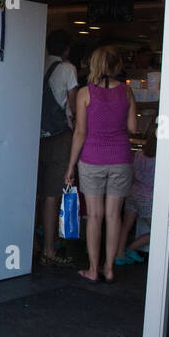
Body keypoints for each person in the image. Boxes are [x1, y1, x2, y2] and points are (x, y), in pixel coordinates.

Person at [65, 44, 139, 283]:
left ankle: (93, 269)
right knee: (113, 216)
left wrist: (70, 166)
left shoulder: (85, 93)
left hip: (92, 159)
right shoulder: (126, 92)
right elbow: (132, 128)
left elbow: (80, 132)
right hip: (120, 158)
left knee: (95, 216)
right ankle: (109, 268)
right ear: (117, 65)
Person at [37, 29, 79, 266]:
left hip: (32, 136)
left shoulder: (35, 61)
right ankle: (49, 248)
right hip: (58, 136)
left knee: (35, 192)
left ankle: (30, 242)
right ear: (66, 49)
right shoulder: (67, 69)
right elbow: (73, 105)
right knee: (52, 193)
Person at [116, 122, 157, 265]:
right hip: (149, 197)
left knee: (125, 226)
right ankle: (132, 248)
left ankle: (119, 255)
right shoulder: (161, 159)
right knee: (159, 231)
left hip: (133, 192)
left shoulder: (139, 155)